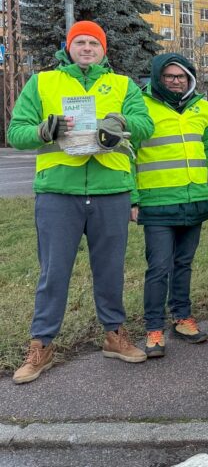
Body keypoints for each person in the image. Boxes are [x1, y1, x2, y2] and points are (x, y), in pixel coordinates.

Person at [9, 20, 153, 384]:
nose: (87, 48)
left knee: (110, 270)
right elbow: (16, 133)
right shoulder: (43, 82)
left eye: (94, 43)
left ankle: (114, 334)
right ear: (68, 47)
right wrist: (44, 129)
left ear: (104, 50)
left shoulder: (122, 85)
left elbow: (145, 125)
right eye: (80, 42)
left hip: (111, 191)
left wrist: (121, 122)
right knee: (53, 273)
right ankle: (41, 343)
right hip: (59, 193)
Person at [133, 53, 208, 357]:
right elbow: (129, 153)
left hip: (193, 200)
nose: (175, 81)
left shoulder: (201, 107)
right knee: (158, 268)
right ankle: (154, 328)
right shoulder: (140, 105)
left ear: (190, 78)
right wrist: (133, 197)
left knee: (184, 264)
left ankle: (182, 318)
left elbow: (206, 151)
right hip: (156, 202)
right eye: (169, 76)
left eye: (181, 76)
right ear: (158, 78)